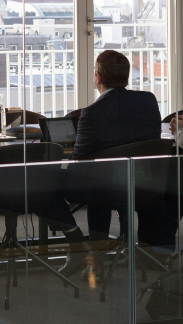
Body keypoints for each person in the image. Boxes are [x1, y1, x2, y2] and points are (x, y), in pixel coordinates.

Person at [67, 50, 162, 272]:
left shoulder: (92, 113)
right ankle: (139, 250)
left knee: (94, 183)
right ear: (126, 76)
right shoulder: (148, 100)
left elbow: (77, 162)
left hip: (108, 190)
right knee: (104, 178)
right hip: (146, 185)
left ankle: (90, 255)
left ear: (98, 77)